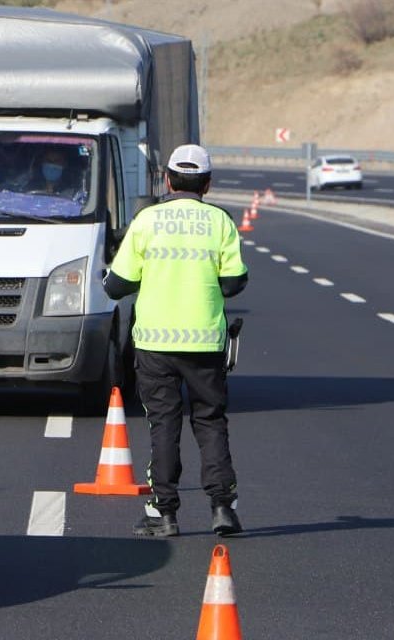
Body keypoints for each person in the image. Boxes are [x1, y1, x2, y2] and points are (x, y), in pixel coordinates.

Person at [102, 144, 249, 538]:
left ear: (166, 180)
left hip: (155, 342)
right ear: (208, 184)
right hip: (205, 342)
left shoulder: (147, 220)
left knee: (163, 425)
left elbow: (117, 285)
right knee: (210, 422)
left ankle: (163, 513)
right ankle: (223, 507)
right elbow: (235, 282)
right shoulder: (220, 222)